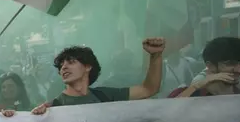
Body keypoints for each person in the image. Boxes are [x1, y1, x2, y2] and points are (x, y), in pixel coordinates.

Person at [32, 38, 166, 114]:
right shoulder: (54, 107)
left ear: (87, 67)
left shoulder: (105, 96)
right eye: (61, 65)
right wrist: (37, 116)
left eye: (71, 62)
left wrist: (156, 56)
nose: (64, 67)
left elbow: (149, 89)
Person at [169, 37, 240, 97]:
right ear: (210, 66)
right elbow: (169, 112)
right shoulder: (187, 94)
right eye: (230, 63)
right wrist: (196, 87)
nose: (238, 70)